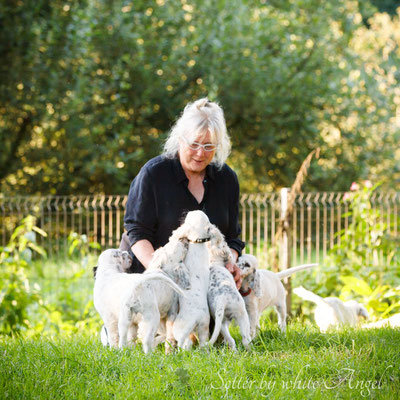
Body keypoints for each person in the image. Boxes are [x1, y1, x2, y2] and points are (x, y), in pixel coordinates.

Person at [123, 97, 244, 288]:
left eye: (209, 146)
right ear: (180, 139)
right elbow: (137, 233)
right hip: (150, 279)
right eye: (194, 144)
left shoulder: (227, 179)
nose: (200, 153)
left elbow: (233, 238)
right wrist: (162, 275)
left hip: (202, 285)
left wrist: (230, 264)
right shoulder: (153, 174)